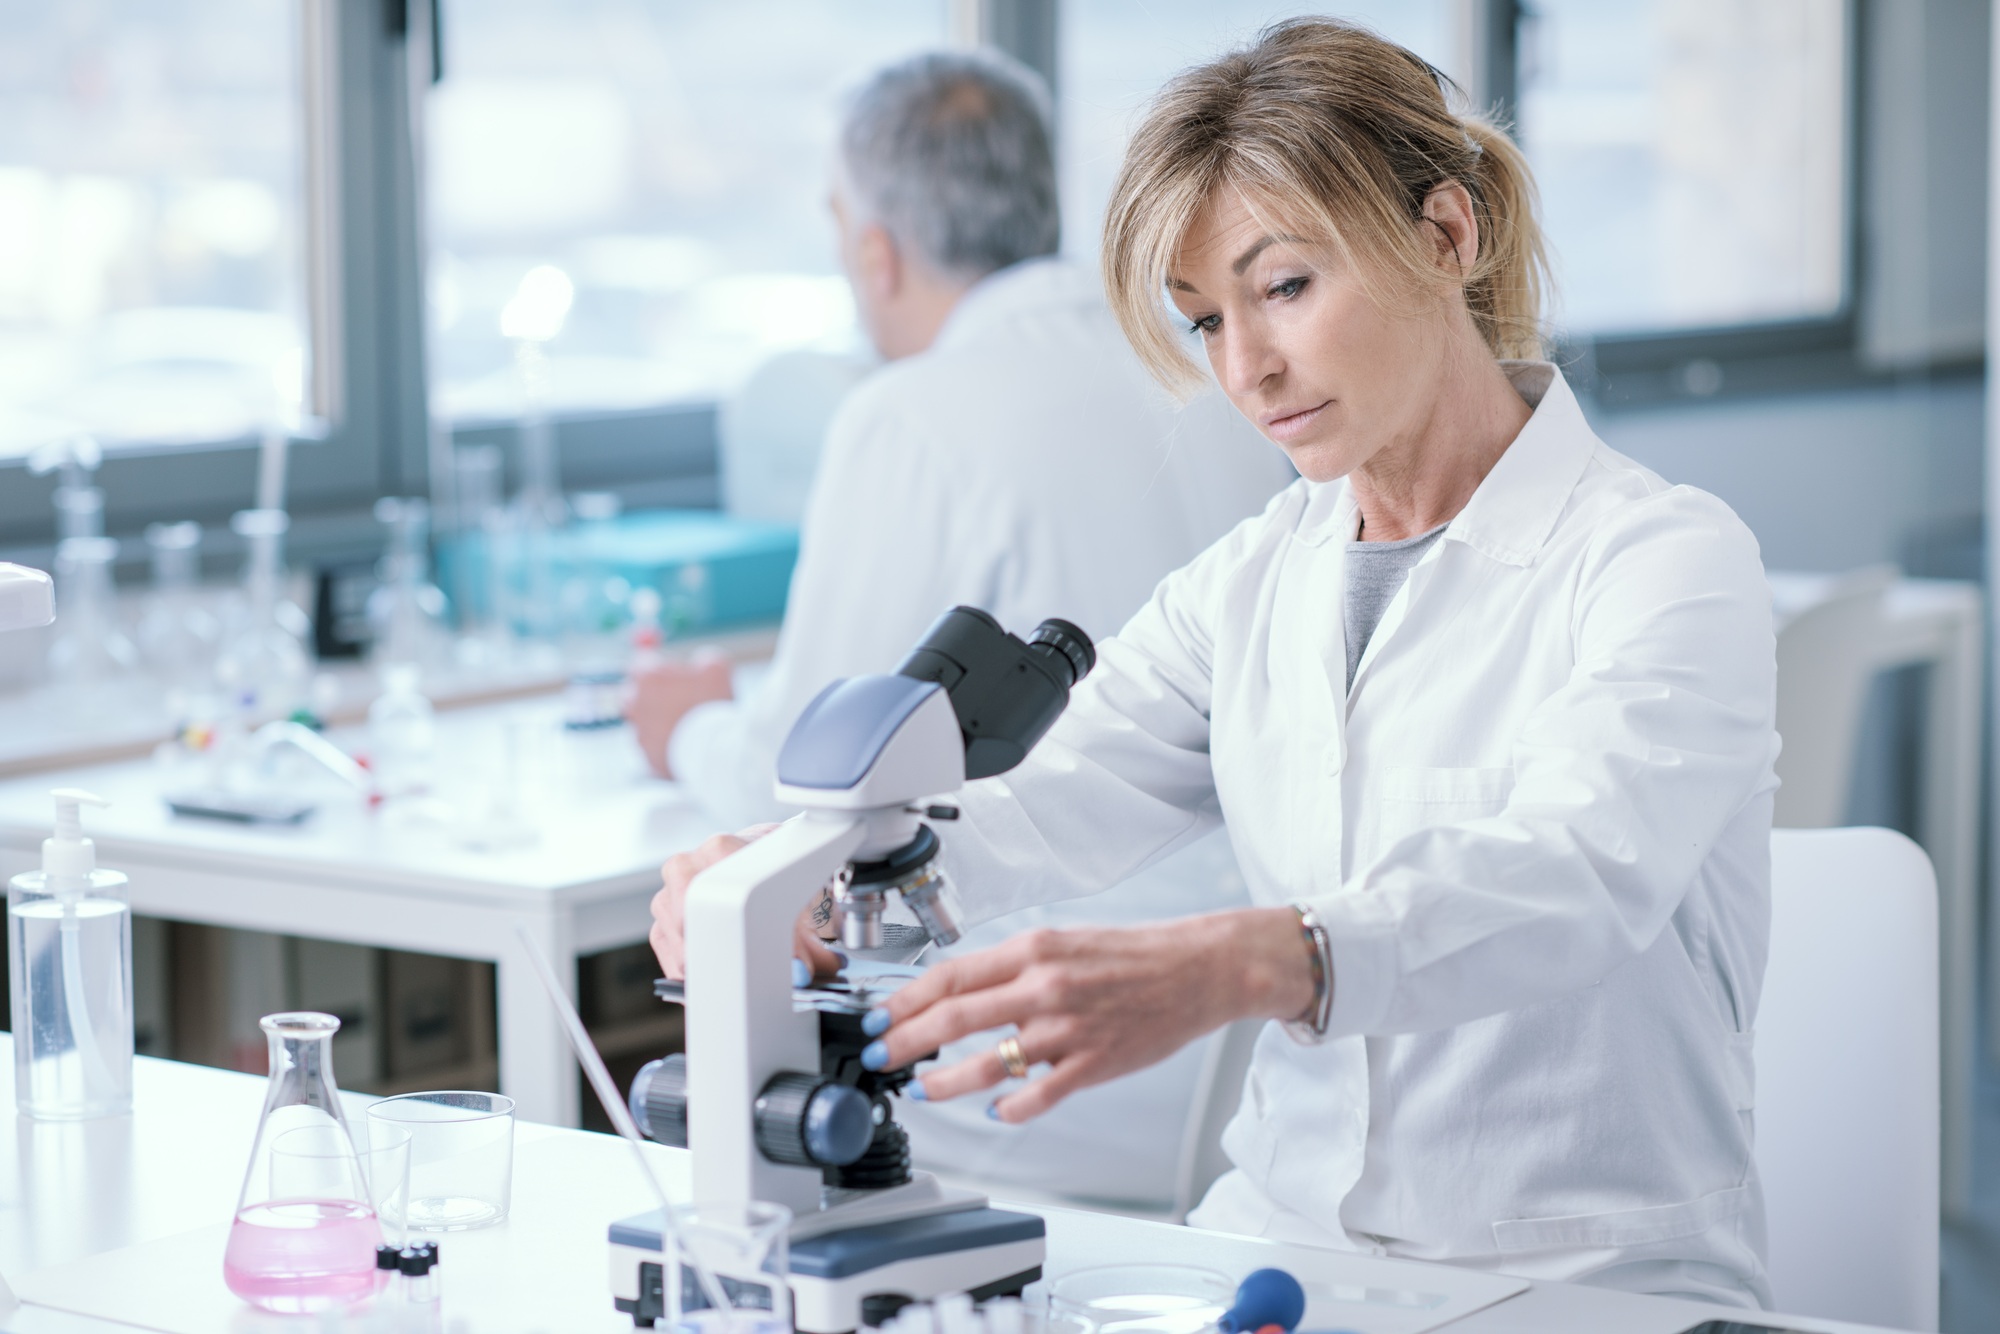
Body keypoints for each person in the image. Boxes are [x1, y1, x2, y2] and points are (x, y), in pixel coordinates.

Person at [652, 19, 1780, 1308]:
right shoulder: (1252, 578)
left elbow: (1577, 869)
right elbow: (1039, 797)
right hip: (1275, 1247)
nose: (1246, 368)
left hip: (1587, 1277)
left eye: (1284, 286)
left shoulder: (1662, 559)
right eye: (1203, 321)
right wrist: (790, 871)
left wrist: (1245, 959)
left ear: (1445, 236)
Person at [630, 50, 1295, 1205]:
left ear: (874, 251)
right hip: (1250, 1059)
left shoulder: (908, 416)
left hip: (1037, 1073)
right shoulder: (1220, 376)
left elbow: (809, 782)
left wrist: (683, 729)